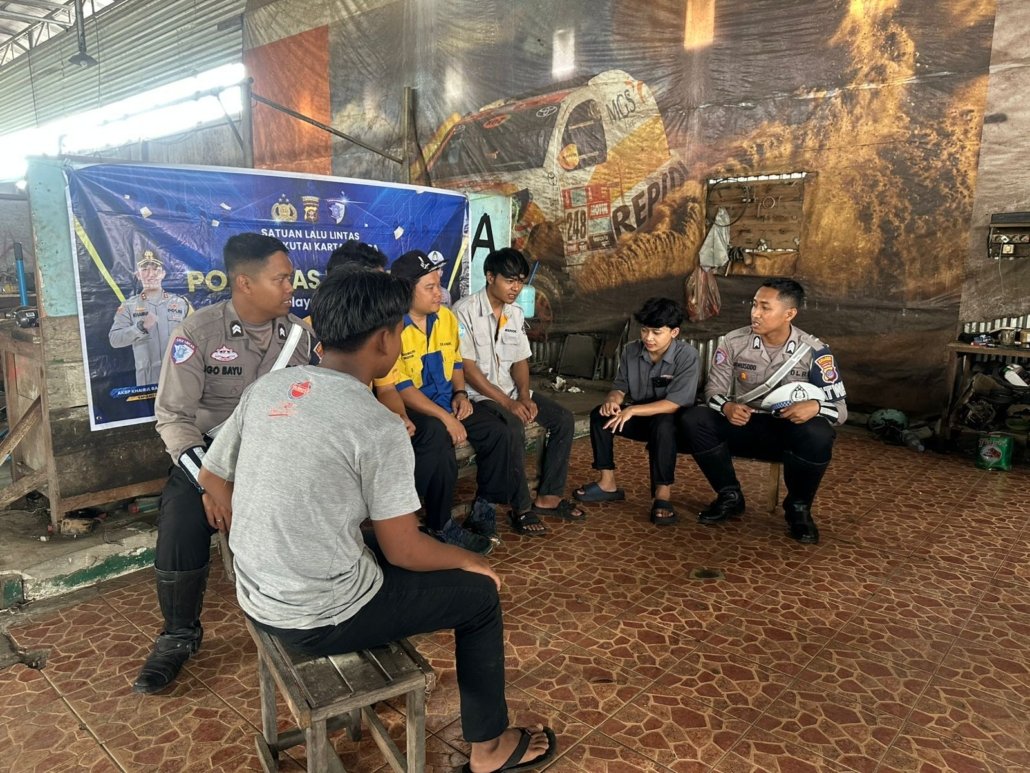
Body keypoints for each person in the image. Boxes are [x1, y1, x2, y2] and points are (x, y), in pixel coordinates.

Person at [197, 268, 557, 773]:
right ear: (386, 340)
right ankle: (489, 749)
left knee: (374, 544)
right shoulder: (377, 424)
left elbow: (211, 476)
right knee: (479, 598)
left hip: (257, 595)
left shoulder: (270, 388)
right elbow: (403, 550)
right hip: (317, 617)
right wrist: (470, 561)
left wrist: (274, 533)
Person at [132, 233, 315, 694]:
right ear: (245, 283)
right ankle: (179, 634)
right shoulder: (197, 333)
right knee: (180, 518)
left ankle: (313, 610)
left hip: (276, 453)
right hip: (211, 453)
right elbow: (174, 418)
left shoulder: (300, 335)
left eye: (291, 278)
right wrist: (211, 485)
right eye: (282, 279)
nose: (291, 287)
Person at [680, 278, 847, 544]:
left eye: (765, 307)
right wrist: (727, 406)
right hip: (744, 425)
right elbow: (713, 390)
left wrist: (815, 406)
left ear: (789, 314)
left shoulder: (815, 352)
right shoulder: (734, 342)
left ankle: (798, 509)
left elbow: (840, 411)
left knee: (819, 433)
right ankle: (729, 495)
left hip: (788, 435)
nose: (755, 313)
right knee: (694, 418)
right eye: (754, 305)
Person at [390, 250, 516, 554]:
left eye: (439, 284)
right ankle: (440, 523)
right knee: (439, 438)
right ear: (406, 290)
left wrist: (460, 394)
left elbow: (456, 362)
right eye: (430, 287)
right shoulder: (392, 327)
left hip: (449, 401)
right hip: (415, 409)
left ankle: (484, 507)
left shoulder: (446, 318)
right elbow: (401, 386)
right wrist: (446, 418)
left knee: (499, 432)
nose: (439, 293)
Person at [453, 248, 584, 536]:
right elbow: (468, 368)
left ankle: (549, 497)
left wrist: (524, 396)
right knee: (512, 426)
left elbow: (521, 360)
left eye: (521, 281)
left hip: (511, 392)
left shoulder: (514, 313)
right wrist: (508, 403)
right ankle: (521, 508)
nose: (516, 288)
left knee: (563, 419)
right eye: (510, 280)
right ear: (490, 277)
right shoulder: (463, 311)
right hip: (480, 396)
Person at [573, 297, 700, 526]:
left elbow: (675, 403)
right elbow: (620, 387)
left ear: (674, 332)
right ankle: (607, 483)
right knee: (600, 415)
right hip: (640, 416)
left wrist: (632, 410)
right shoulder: (630, 351)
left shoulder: (687, 356)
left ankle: (662, 495)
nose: (648, 338)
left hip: (673, 420)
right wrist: (612, 401)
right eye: (644, 330)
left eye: (656, 332)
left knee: (663, 424)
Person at [108, 250, 192, 386]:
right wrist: (140, 327)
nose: (151, 274)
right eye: (145, 269)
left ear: (163, 273)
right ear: (138, 275)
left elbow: (198, 336)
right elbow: (114, 340)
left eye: (156, 269)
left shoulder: (181, 303)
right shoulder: (128, 306)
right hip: (147, 383)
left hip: (178, 379)